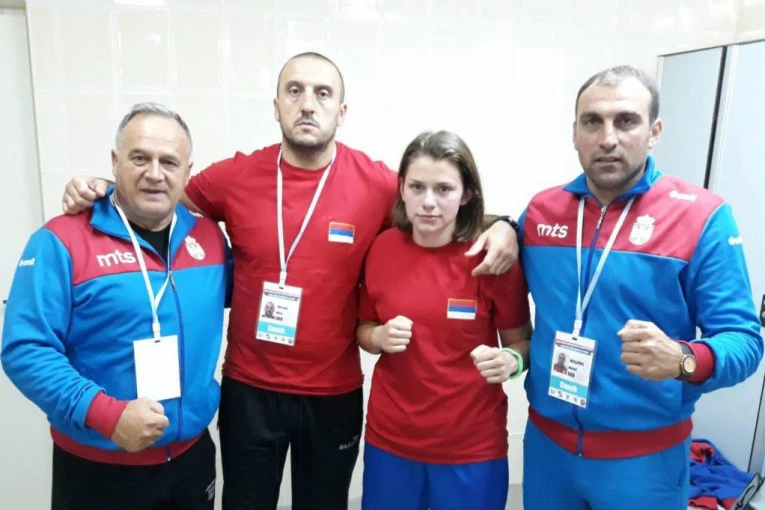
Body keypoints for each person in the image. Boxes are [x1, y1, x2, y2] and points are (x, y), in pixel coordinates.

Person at [59, 52, 518, 510]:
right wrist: (102, 187)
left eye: (323, 94)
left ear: (341, 111)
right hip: (250, 389)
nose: (308, 104)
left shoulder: (377, 183)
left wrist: (507, 227)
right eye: (294, 91)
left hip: (333, 392)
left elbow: (439, 205)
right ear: (276, 106)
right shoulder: (235, 176)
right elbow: (158, 195)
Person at [519, 65, 763, 510]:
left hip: (644, 461)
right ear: (575, 133)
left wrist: (685, 359)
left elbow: (745, 341)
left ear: (654, 132)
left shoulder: (702, 217)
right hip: (547, 450)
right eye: (592, 121)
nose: (607, 138)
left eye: (626, 120)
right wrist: (501, 225)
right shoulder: (540, 213)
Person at [1, 103, 231, 510]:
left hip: (191, 459)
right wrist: (106, 415)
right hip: (98, 468)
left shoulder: (210, 239)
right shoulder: (61, 241)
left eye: (169, 162)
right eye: (140, 158)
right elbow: (25, 349)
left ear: (187, 172)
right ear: (114, 161)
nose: (155, 173)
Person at [356, 131, 531, 510]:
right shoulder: (382, 248)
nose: (428, 202)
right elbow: (363, 329)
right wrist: (378, 337)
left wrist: (511, 362)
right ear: (401, 189)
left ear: (467, 194)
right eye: (417, 187)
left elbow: (522, 343)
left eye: (444, 189)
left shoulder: (492, 258)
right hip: (391, 440)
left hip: (471, 447)